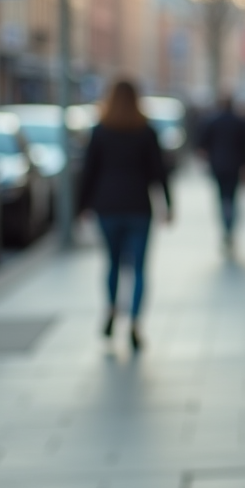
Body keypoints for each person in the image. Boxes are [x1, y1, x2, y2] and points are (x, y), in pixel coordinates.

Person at [78, 79, 172, 351]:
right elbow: (159, 172)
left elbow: (88, 172)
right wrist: (167, 204)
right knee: (139, 269)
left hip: (107, 206)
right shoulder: (146, 131)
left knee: (112, 263)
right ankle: (134, 323)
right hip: (139, 207)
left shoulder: (100, 131)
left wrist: (81, 207)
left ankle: (110, 309)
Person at [197, 94, 245, 255]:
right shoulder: (239, 122)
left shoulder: (212, 121)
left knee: (222, 198)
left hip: (218, 166)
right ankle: (229, 228)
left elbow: (202, 145)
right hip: (234, 166)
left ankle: (226, 226)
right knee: (232, 198)